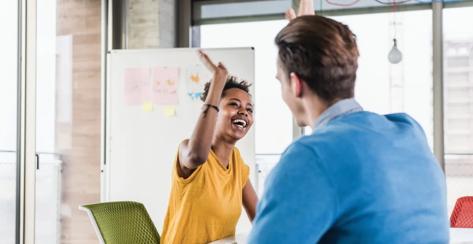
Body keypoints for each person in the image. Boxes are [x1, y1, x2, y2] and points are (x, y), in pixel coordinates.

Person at [248, 2, 449, 243]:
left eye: (279, 80)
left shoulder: (310, 157)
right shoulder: (409, 131)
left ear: (295, 83)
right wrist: (309, 42)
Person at [161, 50, 258, 244]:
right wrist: (217, 84)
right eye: (234, 104)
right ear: (214, 110)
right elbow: (197, 156)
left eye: (249, 109)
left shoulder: (237, 162)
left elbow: (261, 217)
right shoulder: (187, 150)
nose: (244, 112)